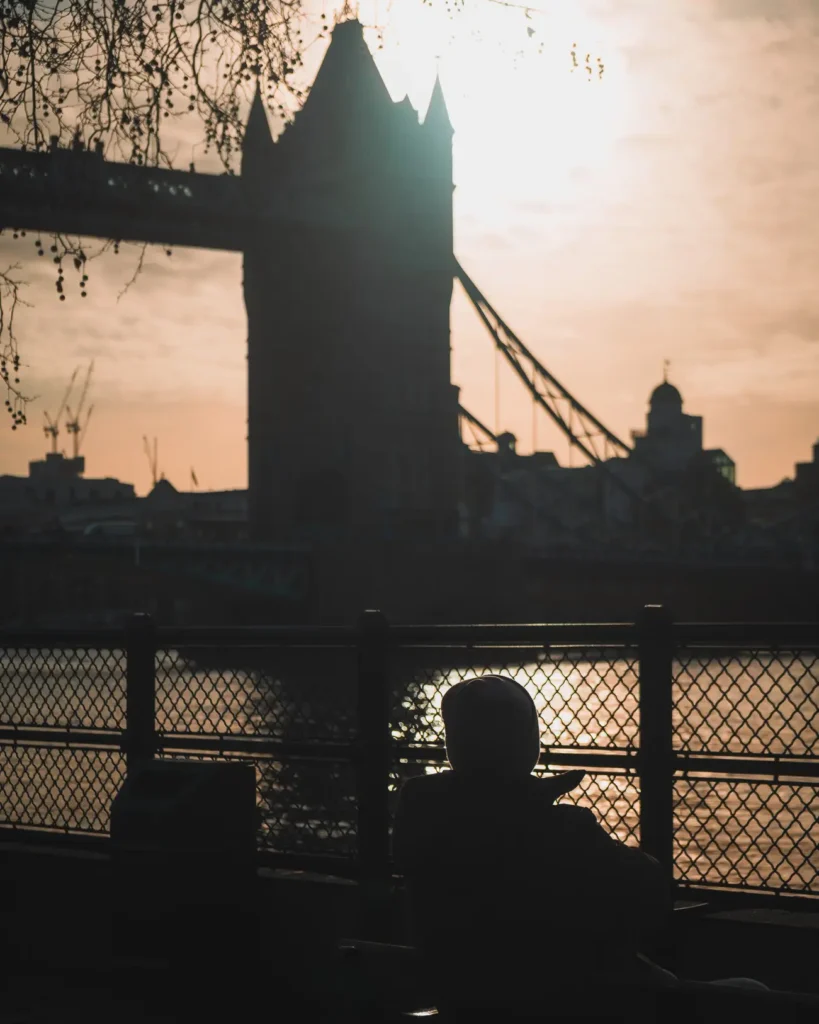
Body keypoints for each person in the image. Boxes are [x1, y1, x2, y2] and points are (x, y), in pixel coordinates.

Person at [392, 674, 677, 1013]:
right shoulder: (566, 828)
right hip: (562, 999)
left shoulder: (418, 807)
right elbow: (650, 891)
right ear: (529, 743)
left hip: (458, 996)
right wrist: (530, 799)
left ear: (454, 743)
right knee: (744, 992)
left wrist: (521, 798)